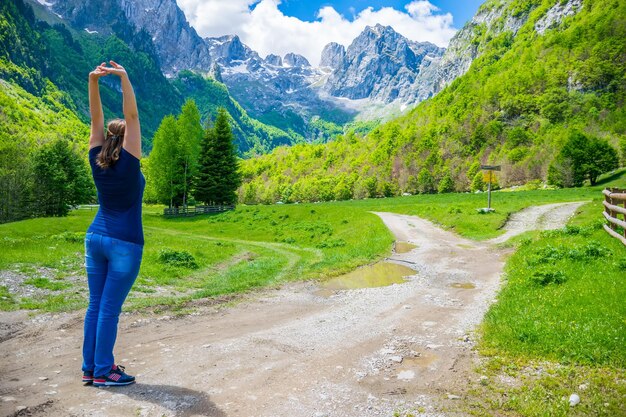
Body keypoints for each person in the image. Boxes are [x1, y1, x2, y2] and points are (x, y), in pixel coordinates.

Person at [82, 61, 145, 387]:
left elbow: (95, 118)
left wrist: (93, 81)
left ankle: (91, 367)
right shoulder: (131, 163)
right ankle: (105, 371)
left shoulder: (97, 157)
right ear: (126, 140)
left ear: (108, 137)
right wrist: (124, 76)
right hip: (125, 243)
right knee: (108, 309)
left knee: (95, 306)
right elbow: (132, 117)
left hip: (95, 237)